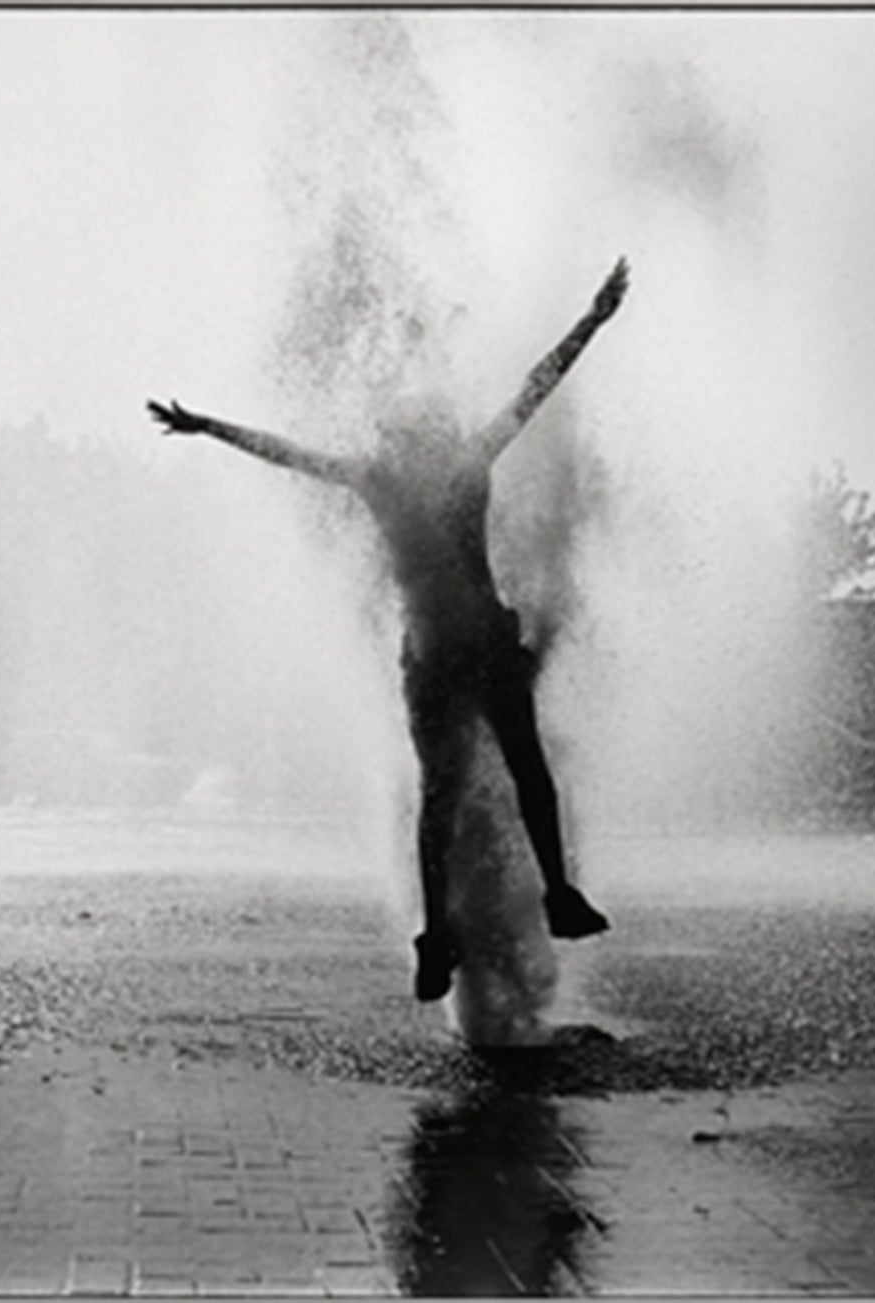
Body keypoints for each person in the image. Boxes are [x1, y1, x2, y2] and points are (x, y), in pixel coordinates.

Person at [147, 258, 629, 1001]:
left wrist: (207, 425)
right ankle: (552, 893)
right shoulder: (464, 463)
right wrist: (593, 319)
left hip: (436, 654)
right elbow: (533, 389)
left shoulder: (385, 478)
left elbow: (289, 454)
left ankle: (441, 934)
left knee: (441, 794)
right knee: (523, 773)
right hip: (482, 650)